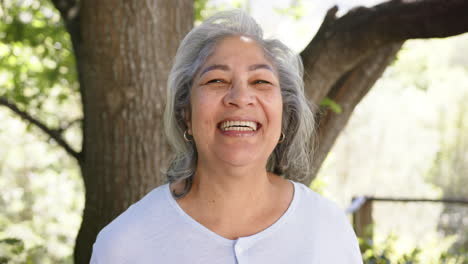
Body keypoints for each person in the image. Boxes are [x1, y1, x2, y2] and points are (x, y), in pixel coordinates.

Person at [90, 10, 362, 264]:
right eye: (216, 81)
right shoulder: (124, 245)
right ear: (186, 114)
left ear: (283, 116)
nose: (241, 98)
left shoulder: (329, 231)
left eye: (261, 82)